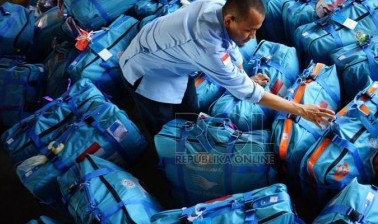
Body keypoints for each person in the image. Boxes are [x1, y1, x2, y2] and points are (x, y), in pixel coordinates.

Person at [120, 0, 335, 136]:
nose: (253, 37)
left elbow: (232, 48)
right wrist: (301, 109)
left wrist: (245, 76)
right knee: (164, 124)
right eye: (249, 31)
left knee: (190, 109)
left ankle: (190, 137)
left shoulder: (221, 9)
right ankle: (168, 158)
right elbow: (247, 92)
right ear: (230, 20)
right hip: (147, 71)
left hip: (173, 61)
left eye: (256, 30)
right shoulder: (207, 44)